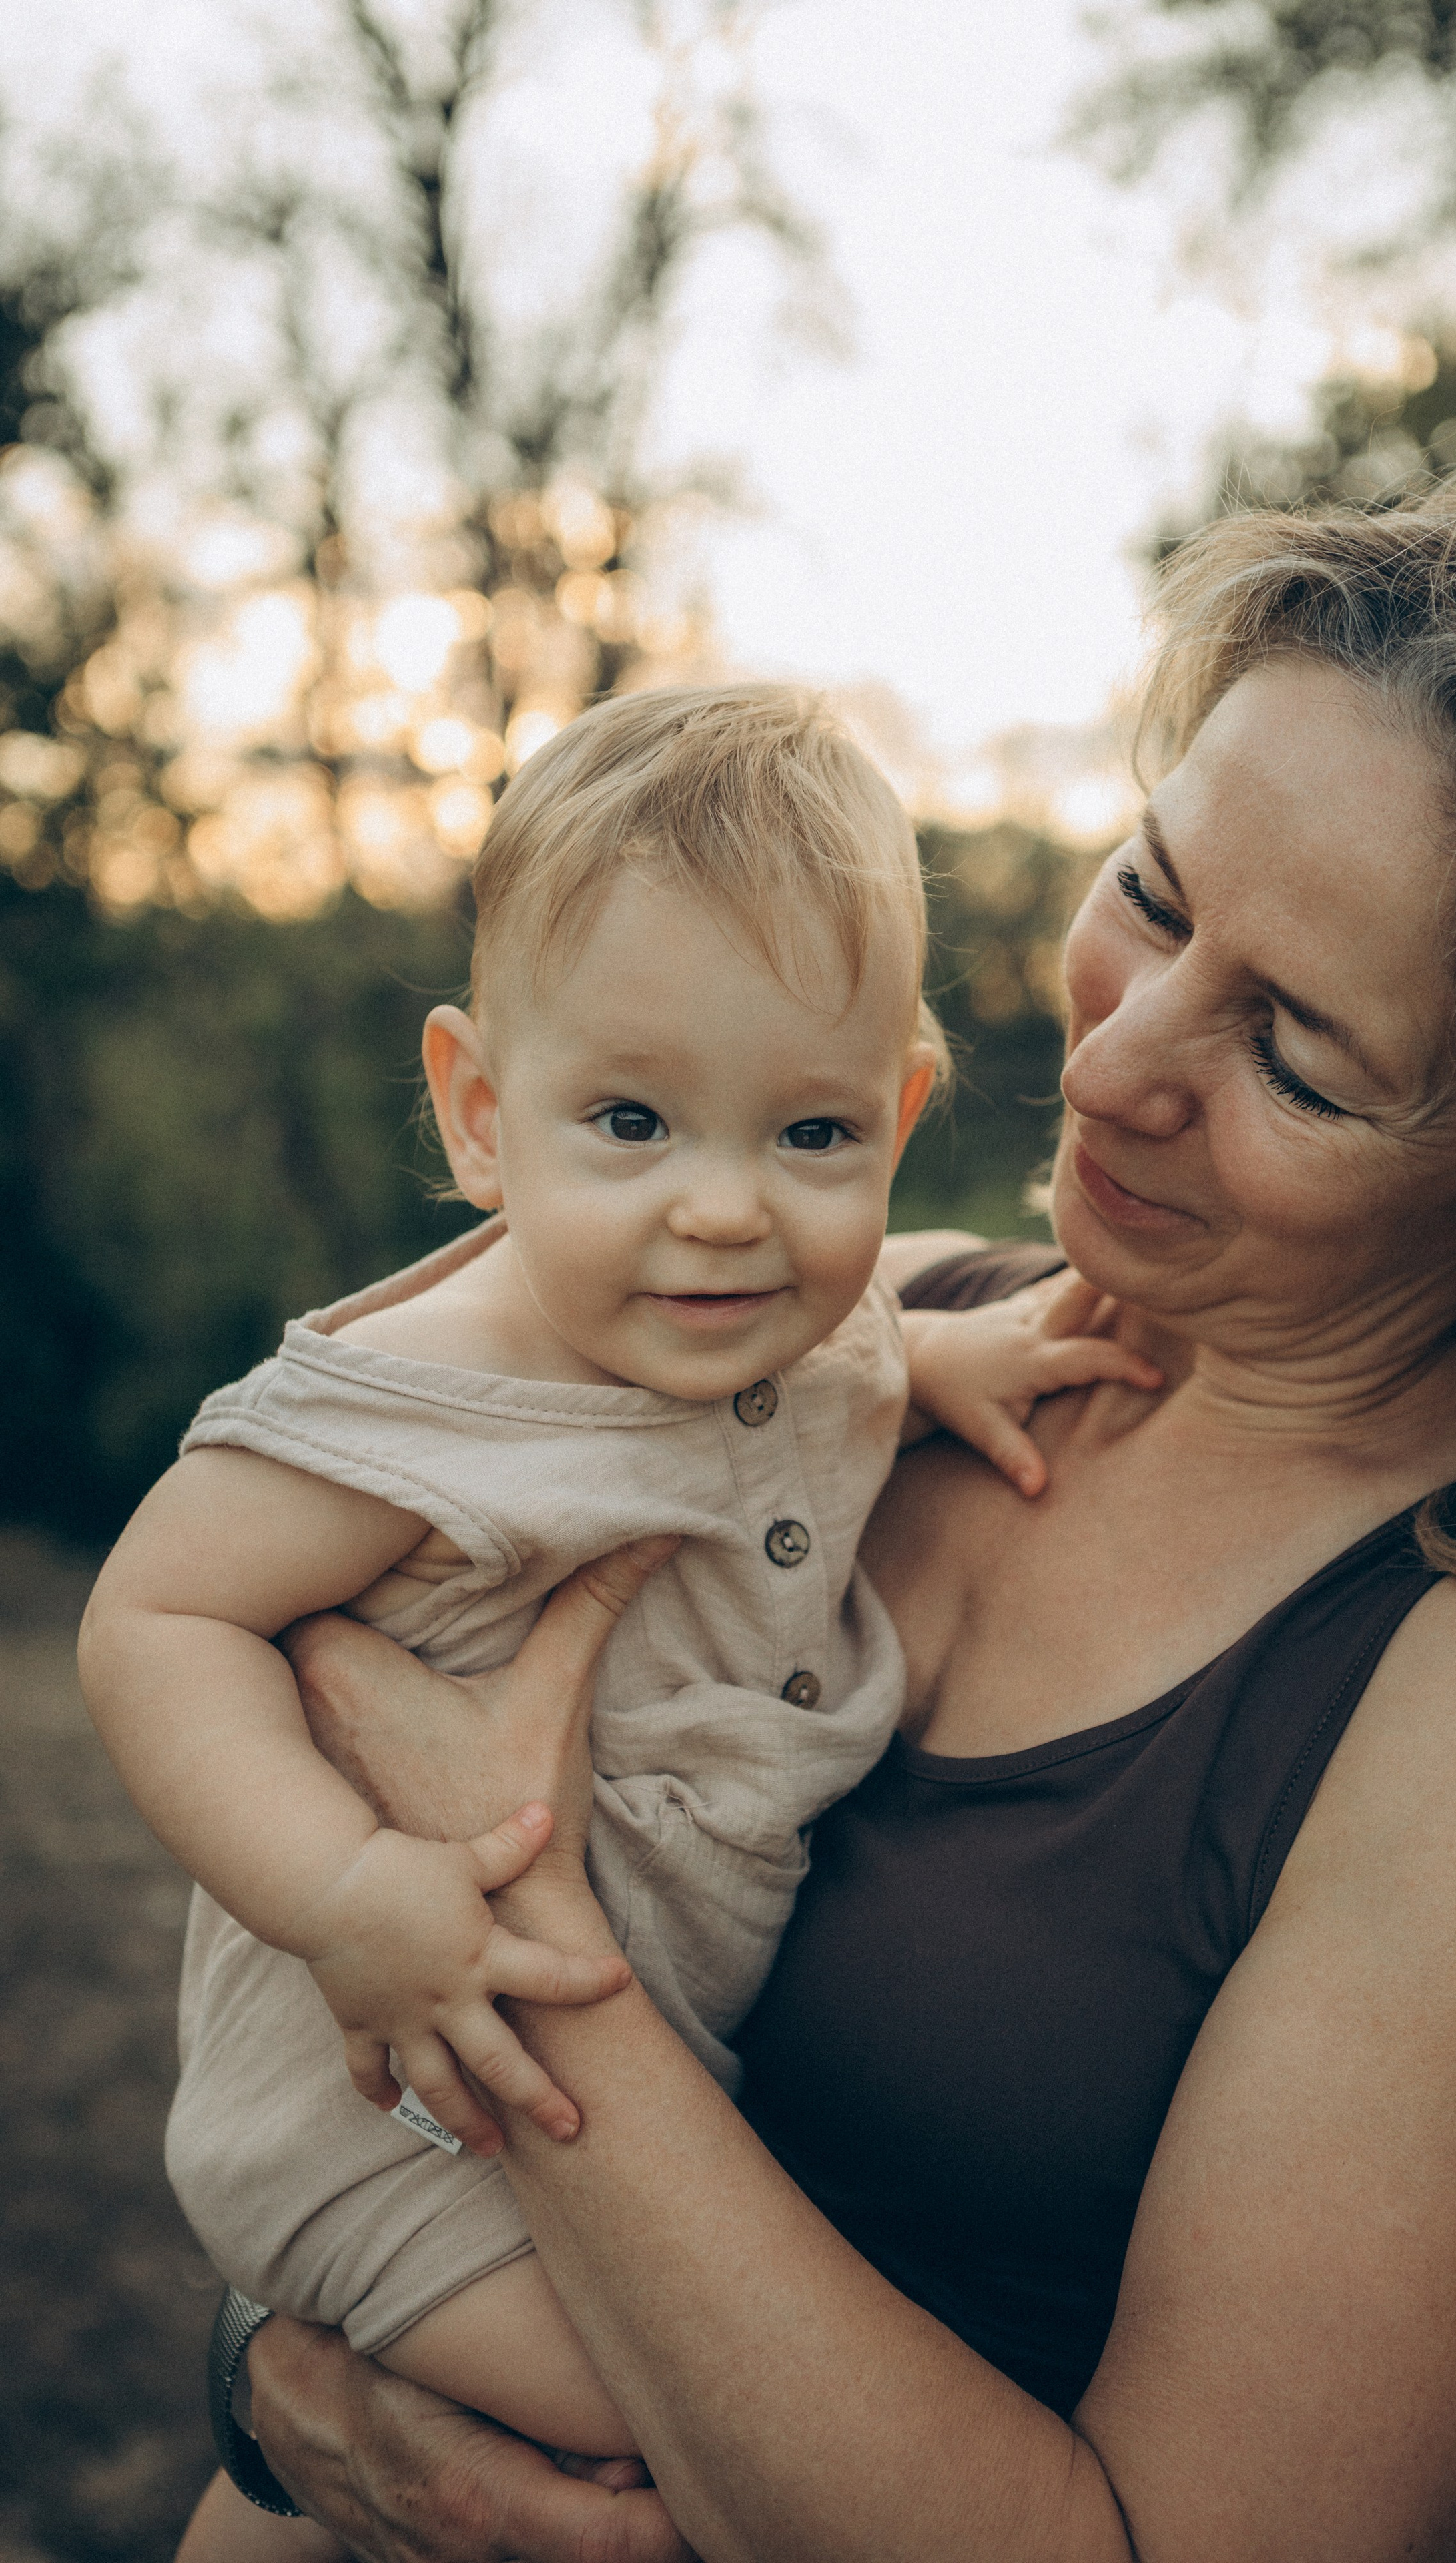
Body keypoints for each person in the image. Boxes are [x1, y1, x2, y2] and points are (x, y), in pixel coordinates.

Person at [196, 463, 1456, 2563]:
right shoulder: (852, 1325)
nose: (1110, 1070)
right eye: (1159, 899)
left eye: (1301, 1058)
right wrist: (284, 2390)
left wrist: (519, 1943)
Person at [77, 683, 1156, 2556]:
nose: (727, 1214)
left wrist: (947, 1352)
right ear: (484, 1114)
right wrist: (340, 1893)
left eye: (813, 1133)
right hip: (401, 2117)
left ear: (897, 1117)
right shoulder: (419, 1408)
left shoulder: (795, 1333)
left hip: (605, 2114)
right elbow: (152, 1622)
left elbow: (846, 1344)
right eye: (635, 1121)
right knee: (671, 2465)